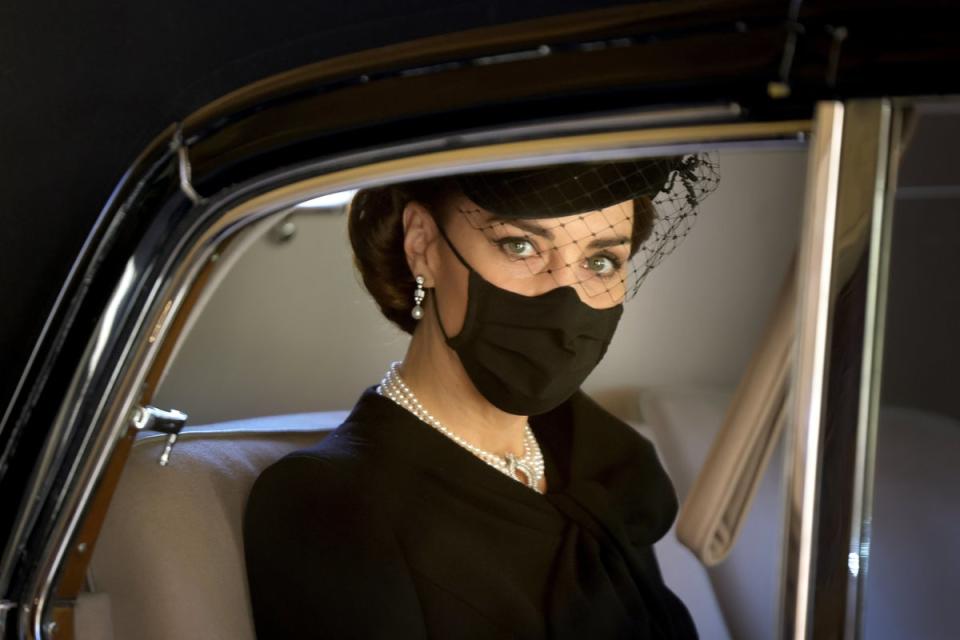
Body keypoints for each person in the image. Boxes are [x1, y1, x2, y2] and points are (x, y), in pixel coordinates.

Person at [243, 155, 719, 639]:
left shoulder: (609, 462)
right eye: (521, 245)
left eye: (600, 261)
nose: (564, 293)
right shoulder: (331, 506)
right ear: (423, 244)